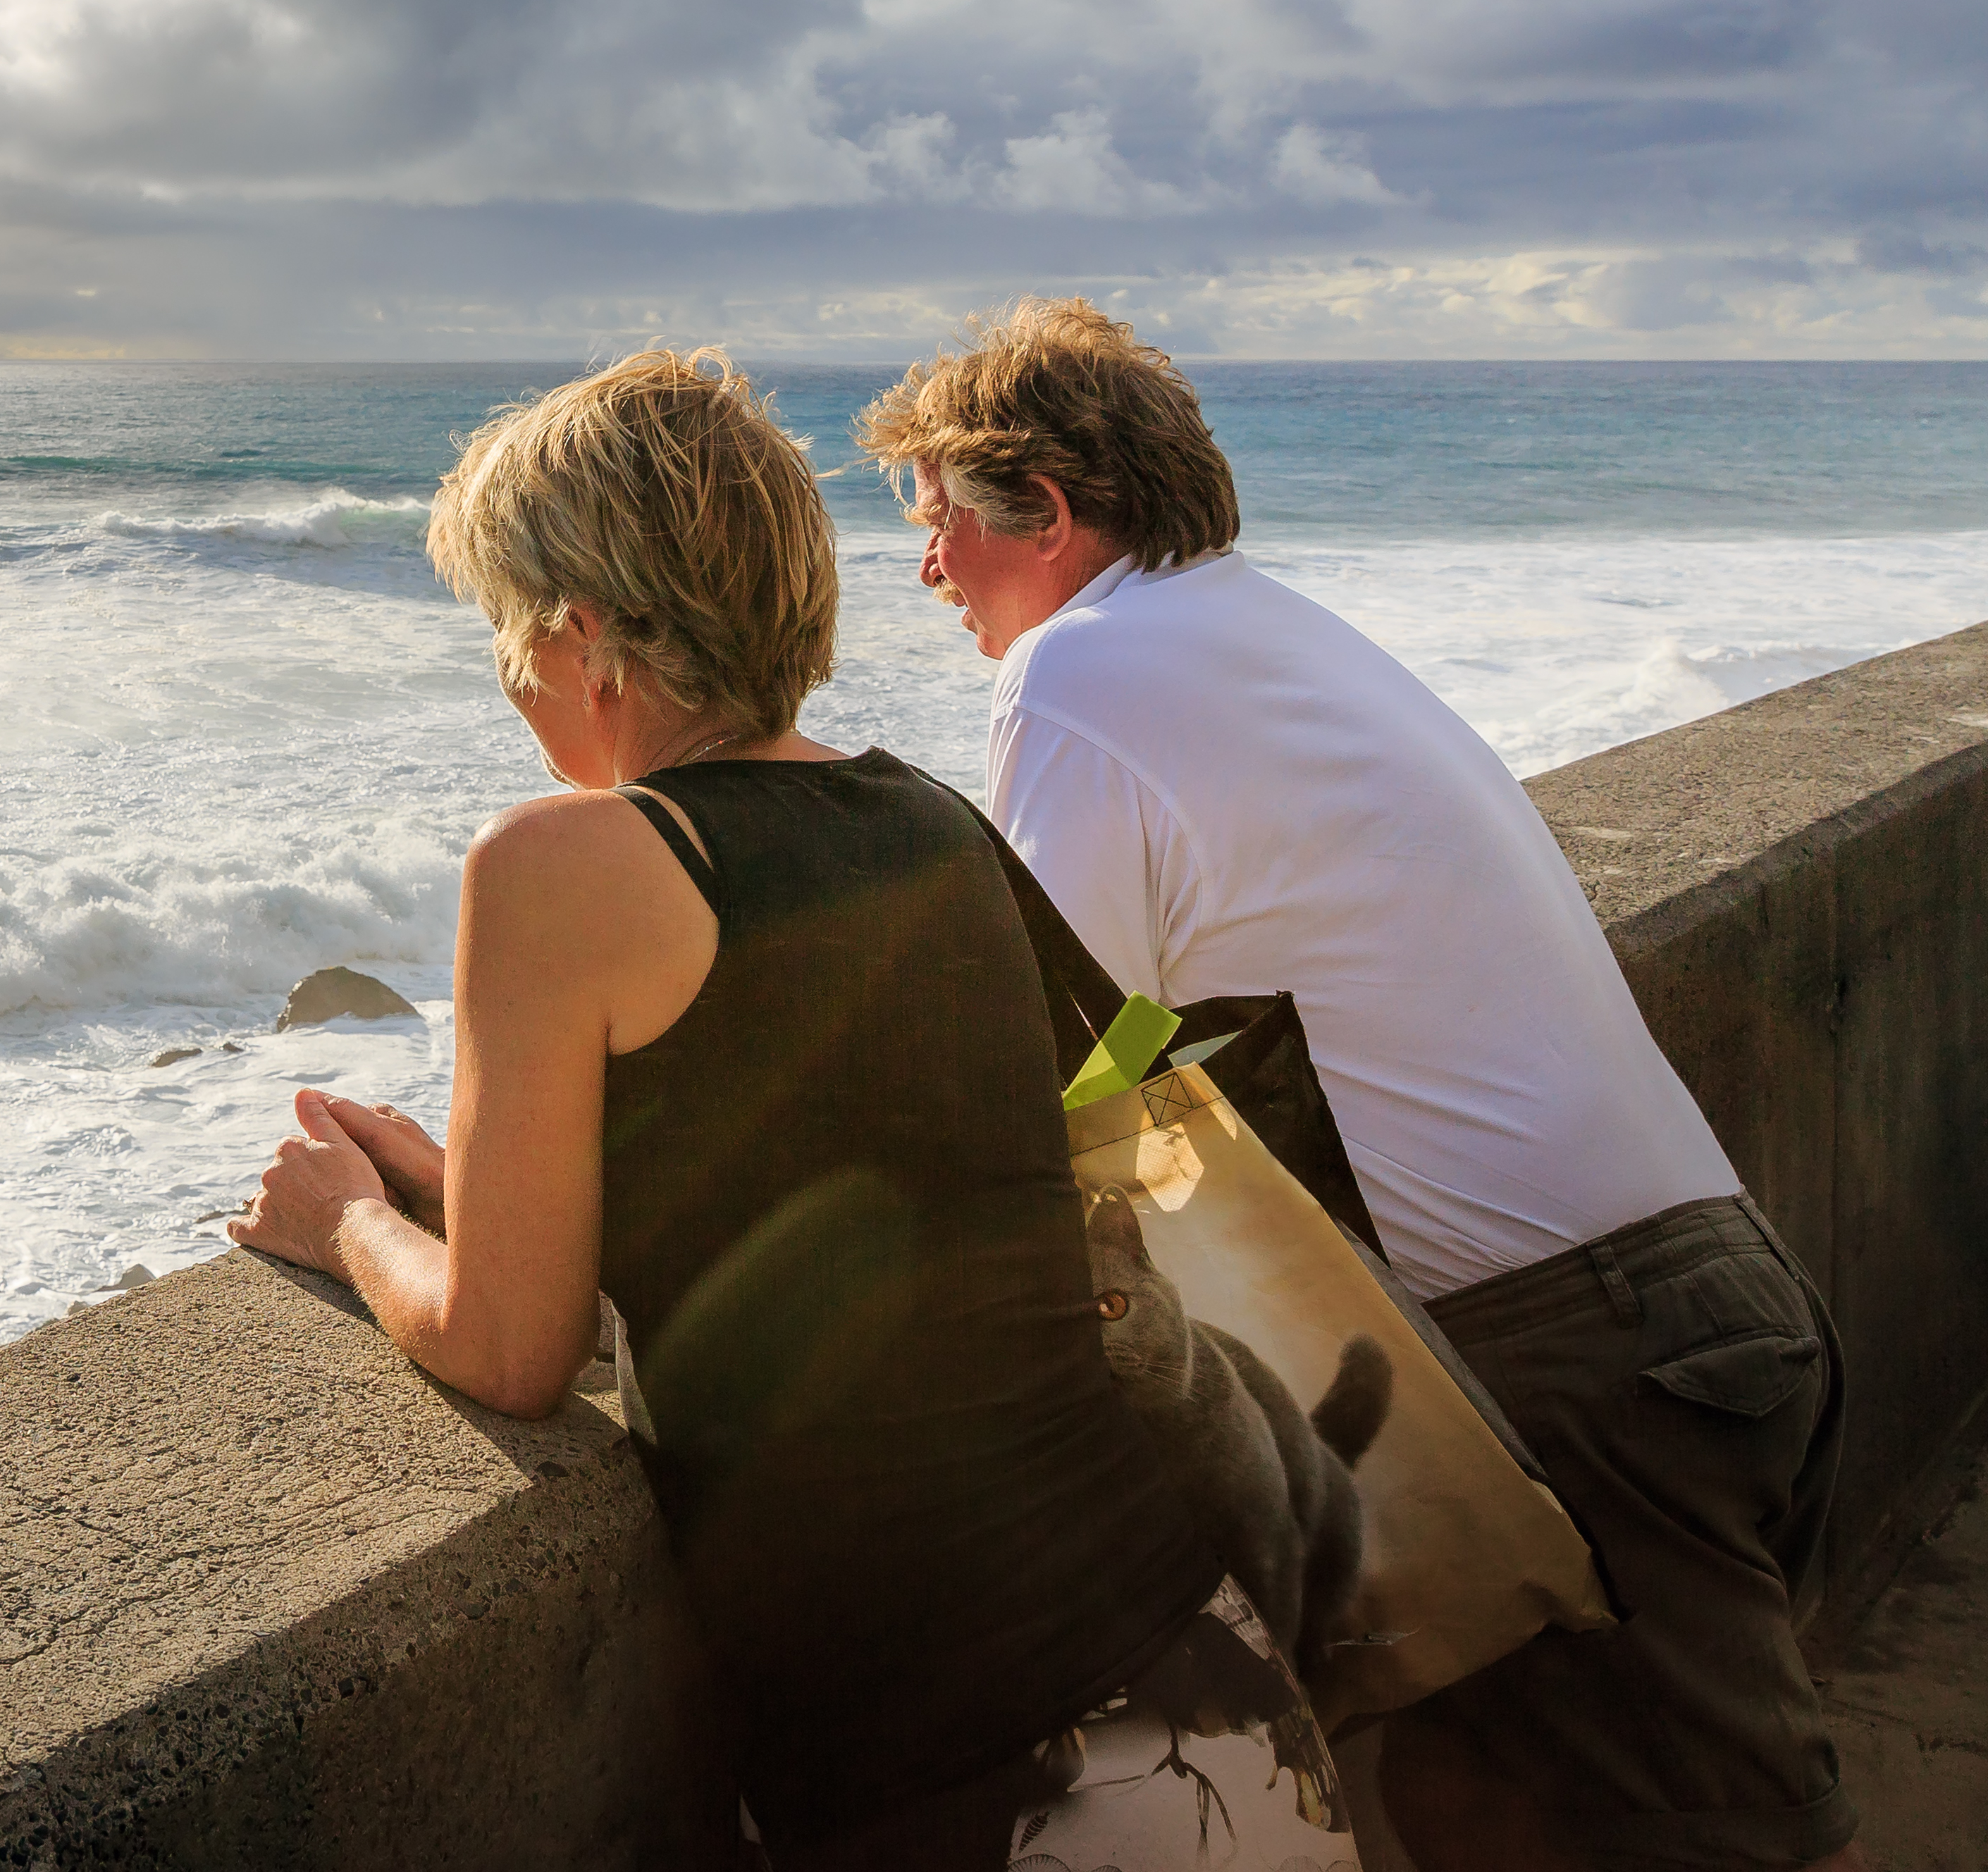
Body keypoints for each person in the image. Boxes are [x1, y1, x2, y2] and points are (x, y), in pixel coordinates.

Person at [229, 348, 1333, 1869]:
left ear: (588, 634)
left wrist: (349, 1222)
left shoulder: (556, 864)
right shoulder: (932, 825)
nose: (505, 672)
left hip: (985, 1784)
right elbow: (827, 1209)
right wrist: (470, 1189)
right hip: (1215, 1695)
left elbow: (507, 1352)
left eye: (505, 623)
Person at [851, 297, 1863, 1872]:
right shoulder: (1269, 629)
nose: (924, 569)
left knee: (1716, 1843)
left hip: (1572, 1356)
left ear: (1043, 510)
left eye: (936, 524)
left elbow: (1046, 1071)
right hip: (1700, 1302)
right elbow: (1155, 1016)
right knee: (1484, 1812)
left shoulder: (1075, 670)